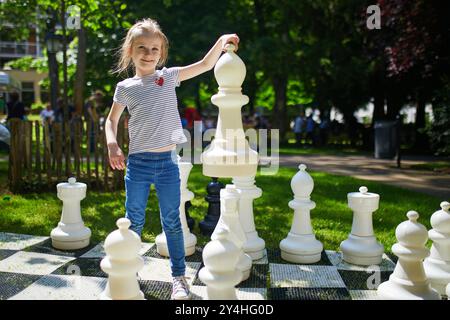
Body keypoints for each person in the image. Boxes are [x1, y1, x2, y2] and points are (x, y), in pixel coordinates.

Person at [105, 18, 239, 300]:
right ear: (130, 50)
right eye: (142, 47)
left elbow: (204, 64)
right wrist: (112, 144)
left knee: (173, 222)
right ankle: (129, 271)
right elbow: (112, 119)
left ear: (161, 53)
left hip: (167, 164)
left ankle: (179, 278)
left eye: (155, 48)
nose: (148, 53)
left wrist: (221, 39)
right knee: (133, 221)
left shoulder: (169, 77)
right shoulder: (125, 87)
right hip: (138, 164)